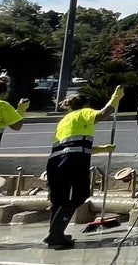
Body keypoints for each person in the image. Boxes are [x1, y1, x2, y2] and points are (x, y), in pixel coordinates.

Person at [43, 87, 122, 250]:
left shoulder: (64, 120)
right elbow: (102, 115)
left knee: (59, 199)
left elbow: (72, 143)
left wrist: (101, 149)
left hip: (55, 161)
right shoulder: (84, 112)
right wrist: (115, 99)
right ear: (85, 104)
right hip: (73, 160)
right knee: (80, 194)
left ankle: (55, 234)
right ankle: (56, 233)